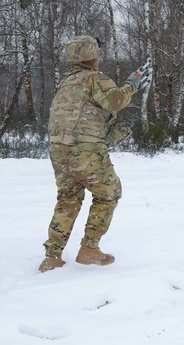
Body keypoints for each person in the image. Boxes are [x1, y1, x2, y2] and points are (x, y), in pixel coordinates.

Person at [39, 36, 150, 272]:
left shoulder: (65, 83)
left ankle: (52, 257)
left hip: (59, 152)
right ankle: (89, 249)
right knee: (110, 193)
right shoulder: (94, 79)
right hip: (86, 150)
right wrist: (133, 84)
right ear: (93, 57)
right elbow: (116, 101)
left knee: (67, 200)